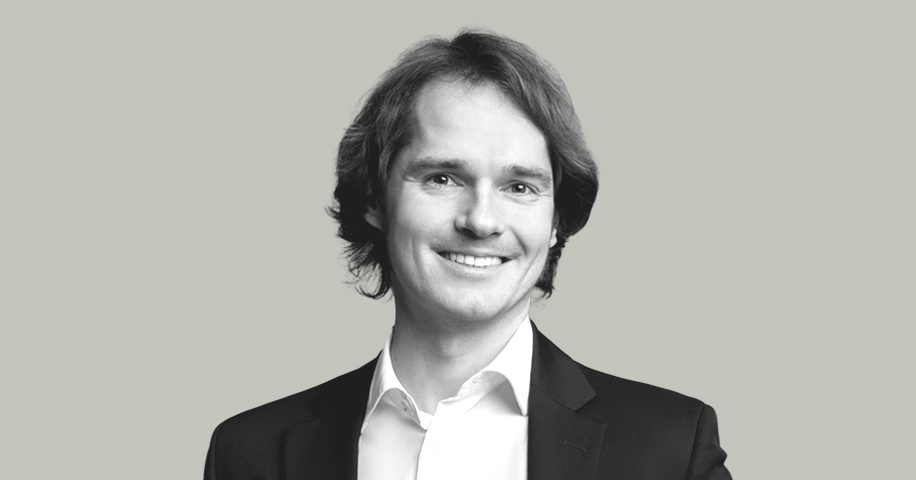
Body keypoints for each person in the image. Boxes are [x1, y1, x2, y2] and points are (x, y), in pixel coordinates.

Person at [204, 29, 732, 480]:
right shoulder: (251, 453)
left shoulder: (671, 449)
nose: (481, 221)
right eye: (442, 178)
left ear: (556, 222)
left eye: (519, 187)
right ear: (374, 201)